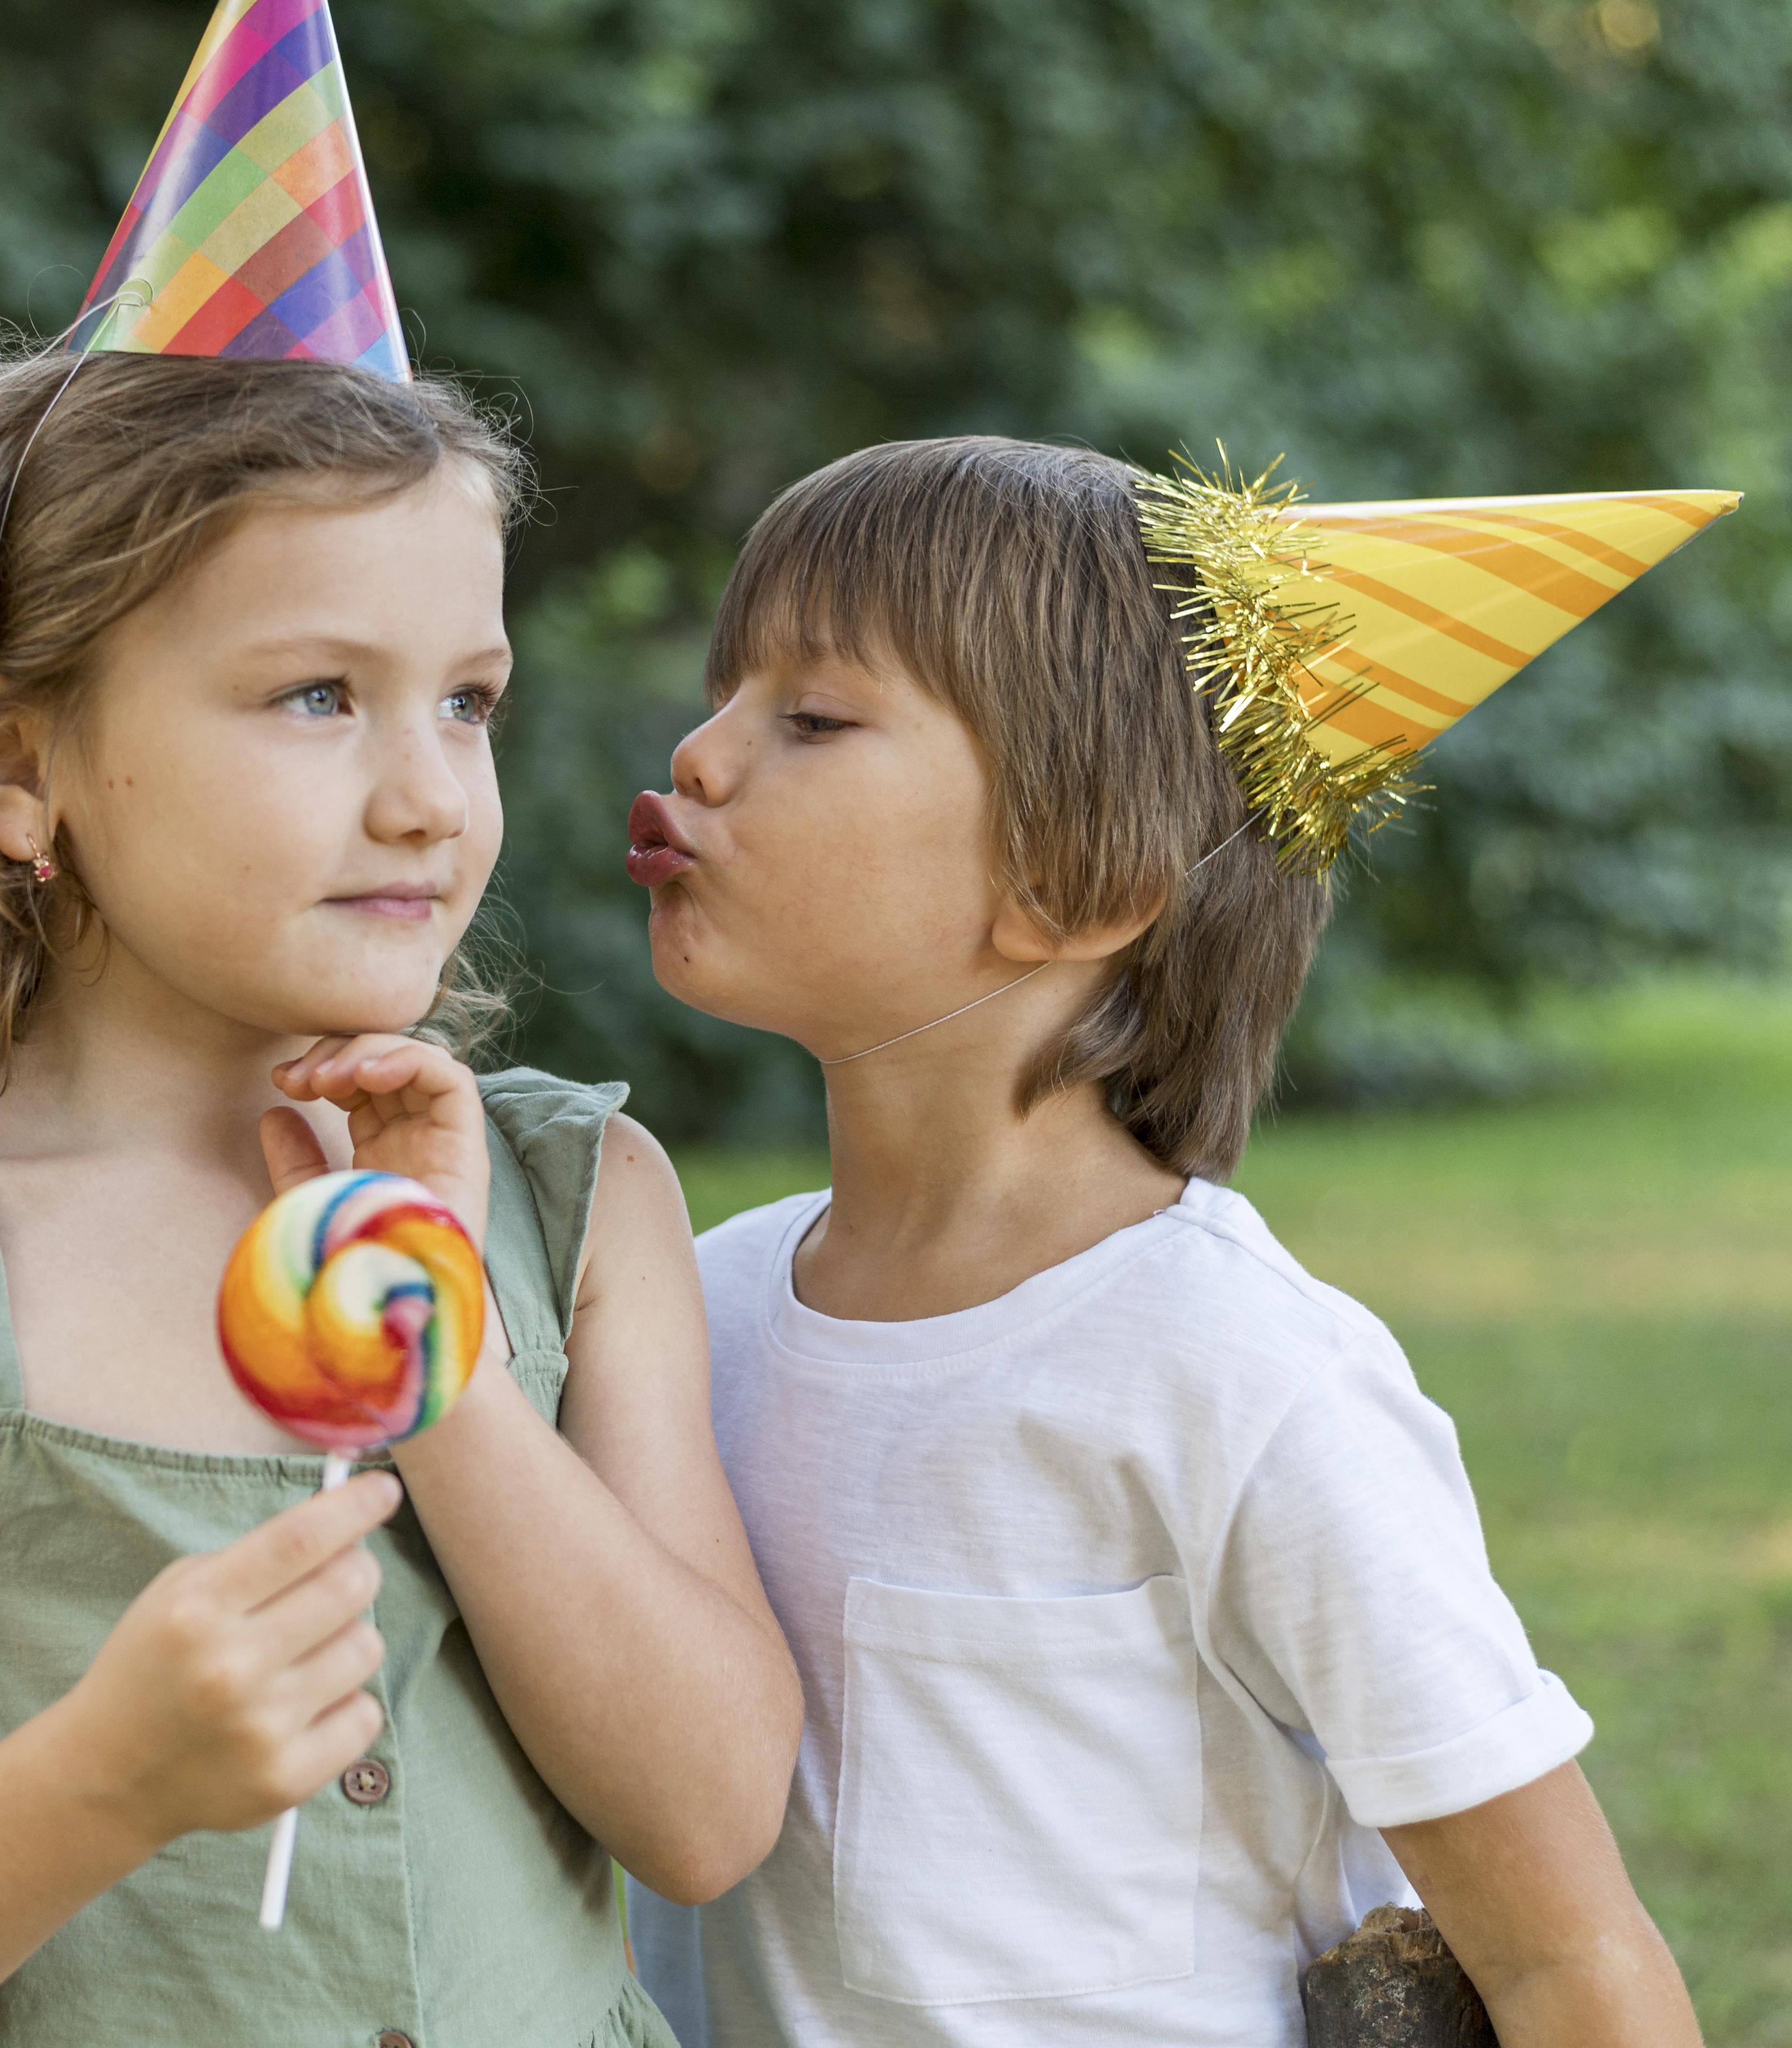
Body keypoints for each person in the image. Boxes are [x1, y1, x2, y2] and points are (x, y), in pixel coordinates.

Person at [0, 342, 801, 2048]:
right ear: (15, 762)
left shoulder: (574, 1203)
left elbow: (708, 1814)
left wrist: (444, 1377)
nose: (427, 797)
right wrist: (107, 1780)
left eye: (468, 701)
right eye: (317, 697)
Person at [622, 438, 1705, 2048]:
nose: (700, 757)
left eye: (815, 718)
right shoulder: (682, 1311)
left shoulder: (1242, 1374)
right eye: (726, 695)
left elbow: (1568, 1962)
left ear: (1079, 882)